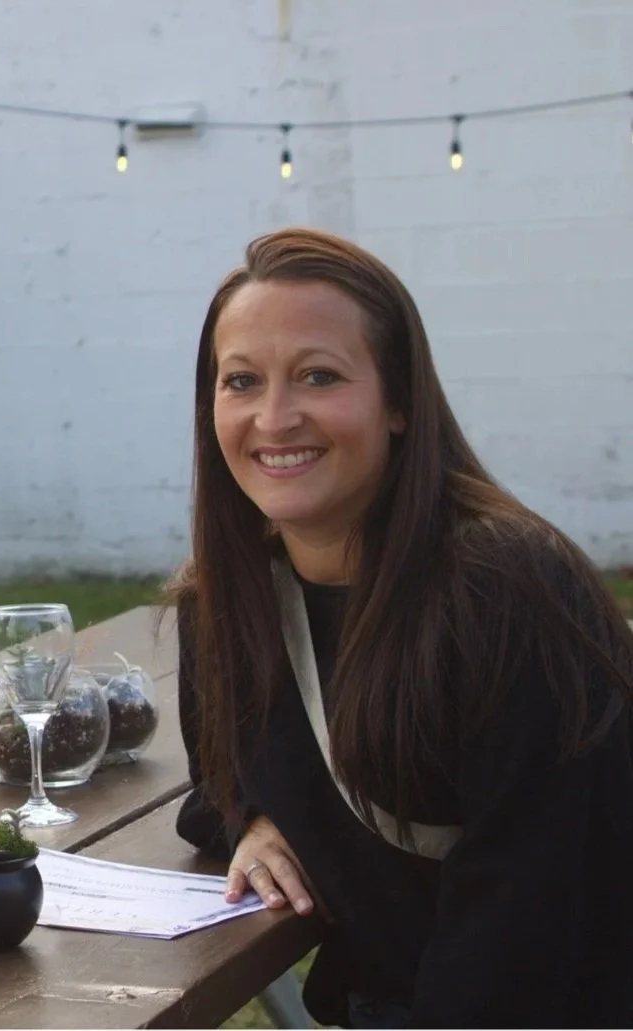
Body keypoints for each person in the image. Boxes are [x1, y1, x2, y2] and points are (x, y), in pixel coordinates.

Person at [172, 226, 633, 1027]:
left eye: (318, 375)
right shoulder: (227, 600)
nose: (274, 418)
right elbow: (217, 780)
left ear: (397, 401)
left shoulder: (508, 590)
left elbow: (530, 910)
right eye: (241, 380)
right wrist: (255, 819)